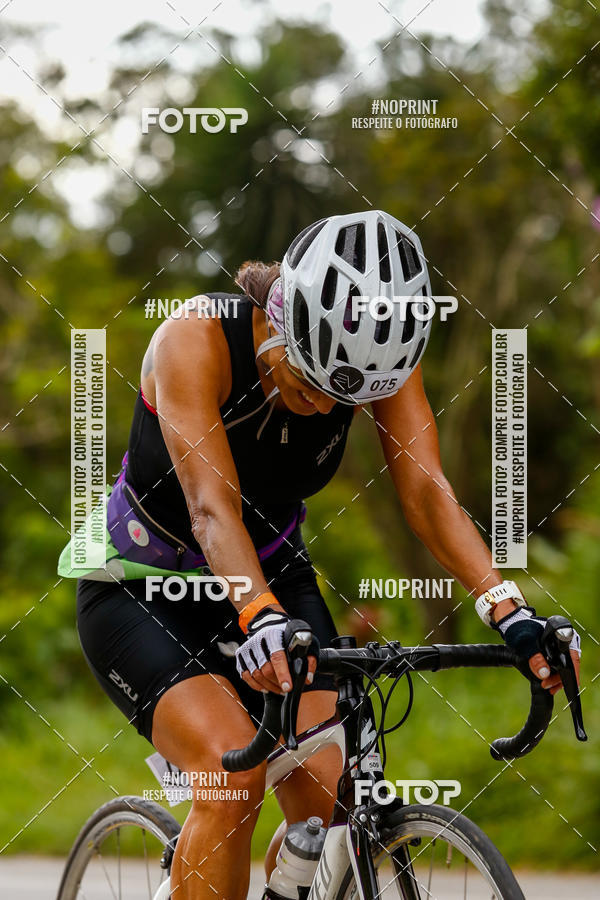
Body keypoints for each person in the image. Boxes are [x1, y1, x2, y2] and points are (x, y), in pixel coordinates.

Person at [59, 210, 580, 900]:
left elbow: (427, 498)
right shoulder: (194, 339)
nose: (321, 408)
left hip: (273, 570)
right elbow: (211, 509)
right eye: (308, 383)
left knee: (331, 795)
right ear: (281, 319)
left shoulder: (380, 357)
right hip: (145, 585)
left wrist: (507, 609)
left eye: (345, 400)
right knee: (231, 776)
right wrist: (257, 615)